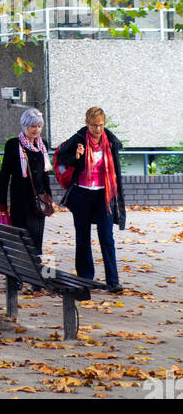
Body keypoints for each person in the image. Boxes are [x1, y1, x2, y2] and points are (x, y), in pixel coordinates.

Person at [57, 106, 125, 293]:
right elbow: (62, 157)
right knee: (83, 237)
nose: (98, 129)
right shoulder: (78, 139)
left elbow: (115, 169)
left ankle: (113, 280)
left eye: (101, 125)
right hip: (82, 194)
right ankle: (85, 278)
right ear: (87, 124)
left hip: (103, 194)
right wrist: (76, 156)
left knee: (106, 236)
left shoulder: (110, 141)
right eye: (94, 125)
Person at [0, 107, 54, 255]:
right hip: (20, 199)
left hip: (39, 200)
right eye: (33, 126)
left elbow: (45, 173)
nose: (36, 130)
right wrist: (2, 202)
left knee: (36, 239)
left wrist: (49, 196)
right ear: (25, 125)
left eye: (39, 126)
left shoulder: (42, 145)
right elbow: (5, 175)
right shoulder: (13, 145)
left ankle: (35, 271)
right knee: (22, 238)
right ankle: (22, 269)